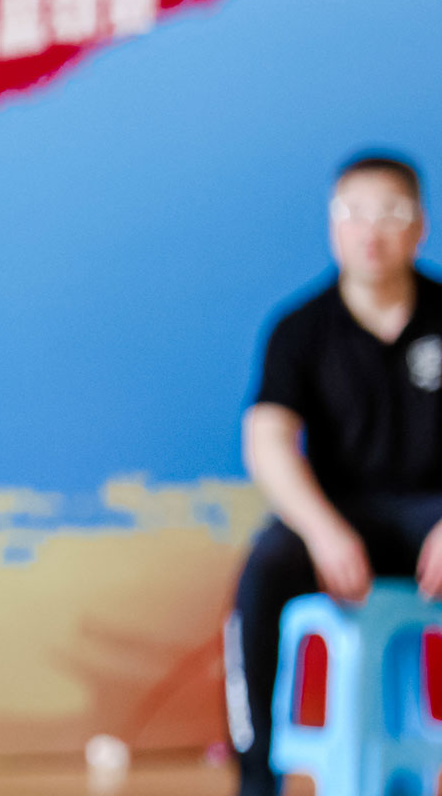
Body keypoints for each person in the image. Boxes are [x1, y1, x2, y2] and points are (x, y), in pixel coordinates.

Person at [227, 151, 442, 795]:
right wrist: (322, 530)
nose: (371, 230)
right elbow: (267, 441)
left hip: (433, 515)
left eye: (390, 213)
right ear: (333, 226)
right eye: (354, 213)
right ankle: (256, 775)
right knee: (265, 569)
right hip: (340, 516)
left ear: (419, 226)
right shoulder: (299, 329)